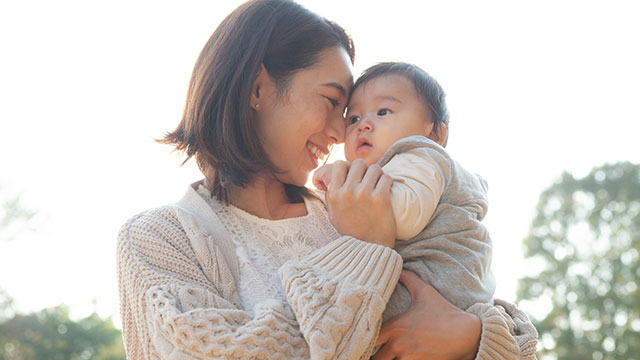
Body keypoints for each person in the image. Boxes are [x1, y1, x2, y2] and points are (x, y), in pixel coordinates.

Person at [116, 1, 538, 359]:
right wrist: (366, 251)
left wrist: (475, 336)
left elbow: (473, 286)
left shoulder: (355, 201)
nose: (342, 133)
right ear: (257, 88)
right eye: (334, 102)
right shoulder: (161, 238)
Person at [313, 62, 495, 321]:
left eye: (383, 111)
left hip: (437, 287)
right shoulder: (401, 167)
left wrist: (341, 183)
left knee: (336, 315)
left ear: (434, 133)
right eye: (353, 118)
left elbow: (404, 219)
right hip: (439, 293)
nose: (363, 124)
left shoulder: (420, 155)